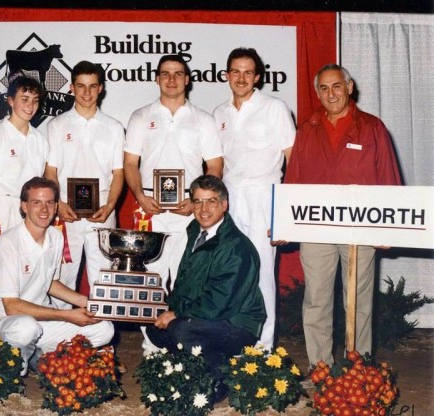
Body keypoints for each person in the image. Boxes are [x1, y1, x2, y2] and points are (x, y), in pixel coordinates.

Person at [284, 64, 401, 366]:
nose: (331, 94)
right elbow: (293, 180)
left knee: (359, 302)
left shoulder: (372, 127)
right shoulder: (307, 129)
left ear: (349, 87)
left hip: (360, 228)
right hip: (316, 228)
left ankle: (358, 368)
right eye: (324, 88)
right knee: (316, 300)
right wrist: (285, 222)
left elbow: (388, 177)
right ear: (317, 93)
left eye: (337, 86)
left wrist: (390, 229)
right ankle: (320, 367)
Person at [146, 175, 266, 404]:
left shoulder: (236, 247)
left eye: (211, 201)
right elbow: (184, 281)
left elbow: (218, 302)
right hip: (209, 314)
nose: (204, 209)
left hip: (237, 322)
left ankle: (222, 376)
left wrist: (177, 313)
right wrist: (165, 309)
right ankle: (197, 367)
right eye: (198, 201)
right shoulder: (195, 231)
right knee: (154, 327)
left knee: (180, 329)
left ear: (224, 204)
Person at [0, 177, 114, 375]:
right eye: (36, 202)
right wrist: (67, 315)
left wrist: (89, 303)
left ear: (56, 207)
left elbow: (50, 283)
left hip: (42, 321)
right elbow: (11, 306)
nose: (44, 209)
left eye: (50, 202)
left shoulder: (56, 236)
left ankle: (41, 356)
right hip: (9, 322)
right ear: (24, 206)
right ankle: (15, 364)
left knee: (104, 328)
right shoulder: (9, 241)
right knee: (26, 328)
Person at [212, 47, 296, 351]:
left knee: (261, 275)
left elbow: (293, 158)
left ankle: (263, 351)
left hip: (264, 196)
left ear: (257, 77)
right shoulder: (219, 113)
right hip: (230, 199)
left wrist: (285, 211)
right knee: (232, 272)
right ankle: (235, 344)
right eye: (235, 71)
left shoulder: (275, 108)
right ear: (226, 75)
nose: (241, 78)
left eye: (248, 72)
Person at [124, 54, 223, 294]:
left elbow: (215, 165)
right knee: (150, 279)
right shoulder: (140, 116)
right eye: (165, 74)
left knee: (186, 276)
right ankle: (153, 322)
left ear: (187, 79)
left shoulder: (203, 119)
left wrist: (196, 201)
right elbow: (130, 163)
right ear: (157, 79)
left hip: (188, 208)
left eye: (178, 74)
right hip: (150, 207)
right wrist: (139, 196)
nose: (171, 79)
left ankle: (181, 321)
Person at [44, 61, 124, 308]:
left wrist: (110, 206)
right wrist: (58, 204)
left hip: (102, 213)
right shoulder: (56, 125)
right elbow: (50, 171)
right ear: (71, 87)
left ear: (101, 88)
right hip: (66, 213)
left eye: (92, 86)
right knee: (62, 277)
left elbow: (118, 173)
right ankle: (61, 331)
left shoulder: (114, 127)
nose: (86, 92)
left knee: (104, 277)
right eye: (81, 86)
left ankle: (103, 329)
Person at [0, 76, 48, 328]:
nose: (29, 106)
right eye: (24, 99)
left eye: (35, 101)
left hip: (30, 212)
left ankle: (22, 335)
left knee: (26, 274)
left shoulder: (40, 139)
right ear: (10, 101)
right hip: (1, 210)